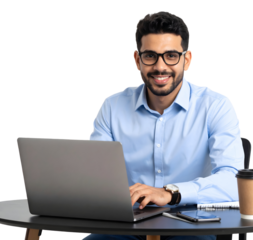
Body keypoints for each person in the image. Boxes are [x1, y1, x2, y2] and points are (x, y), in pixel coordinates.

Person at [83, 11, 243, 240]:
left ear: (187, 60)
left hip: (191, 225)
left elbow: (234, 181)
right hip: (125, 226)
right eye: (150, 56)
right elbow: (92, 176)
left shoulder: (217, 106)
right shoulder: (111, 106)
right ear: (136, 60)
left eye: (171, 56)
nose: (160, 67)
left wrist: (171, 193)